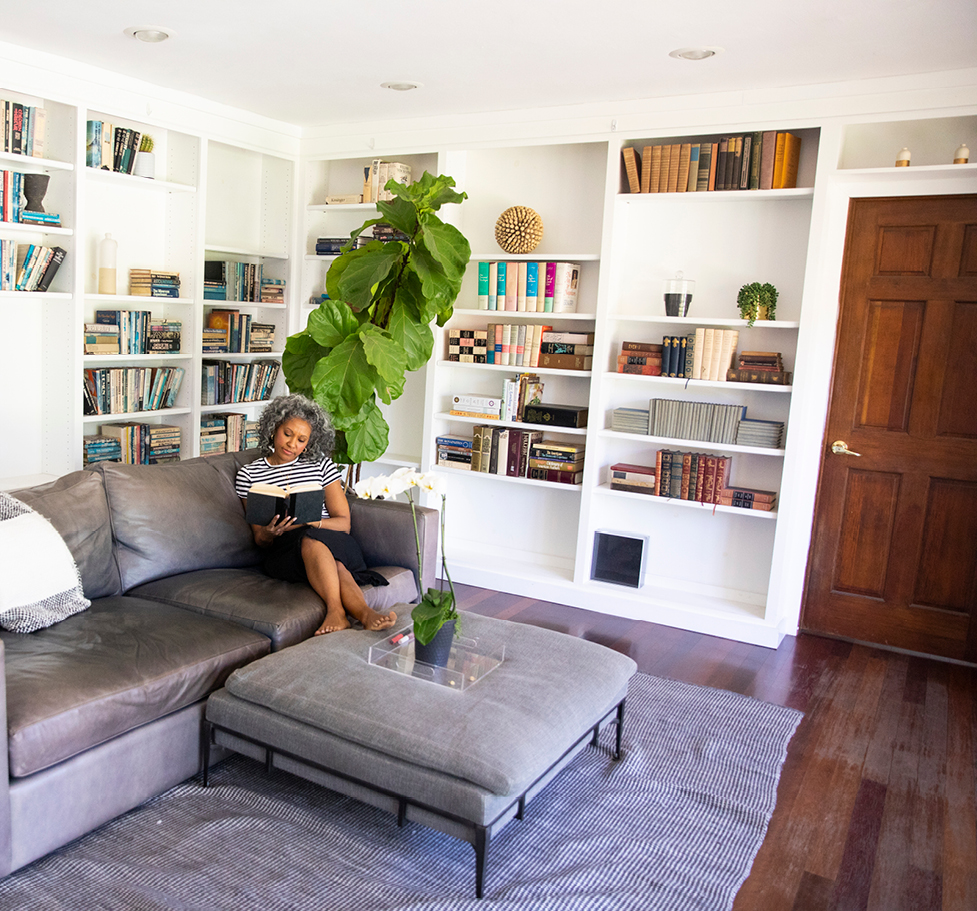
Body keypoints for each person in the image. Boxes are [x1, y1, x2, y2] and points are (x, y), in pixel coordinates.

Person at [235, 394, 397, 636]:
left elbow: (344, 524)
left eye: (301, 440)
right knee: (334, 563)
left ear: (309, 443)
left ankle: (342, 613)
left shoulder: (321, 465)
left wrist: (311, 521)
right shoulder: (249, 474)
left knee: (313, 539)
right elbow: (260, 540)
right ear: (273, 429)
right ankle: (359, 614)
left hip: (330, 537)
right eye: (287, 434)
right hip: (284, 552)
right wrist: (270, 532)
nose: (292, 444)